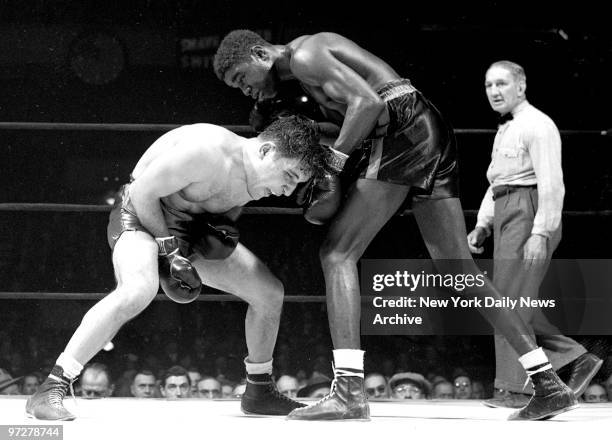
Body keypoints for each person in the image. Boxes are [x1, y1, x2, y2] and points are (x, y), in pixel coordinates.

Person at [214, 30, 578, 421]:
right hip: (426, 128)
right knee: (459, 270)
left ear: (259, 53)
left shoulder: (305, 56)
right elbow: (356, 115)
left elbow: (367, 104)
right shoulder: (306, 66)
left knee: (337, 253)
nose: (245, 90)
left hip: (403, 129)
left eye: (241, 78)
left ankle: (350, 391)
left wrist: (333, 166)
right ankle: (547, 383)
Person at [26, 116, 324, 420]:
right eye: (287, 175)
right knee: (137, 290)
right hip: (141, 216)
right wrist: (168, 251)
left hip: (187, 230)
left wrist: (209, 236)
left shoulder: (259, 180)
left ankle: (259, 389)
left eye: (294, 183)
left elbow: (222, 209)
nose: (287, 191)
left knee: (269, 293)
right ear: (265, 151)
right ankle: (52, 387)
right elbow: (143, 193)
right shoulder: (205, 152)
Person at [467, 60, 602, 409]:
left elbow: (552, 184)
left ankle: (520, 388)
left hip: (529, 214)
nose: (494, 92)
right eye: (488, 85)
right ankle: (571, 359)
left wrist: (541, 232)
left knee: (507, 304)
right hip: (509, 213)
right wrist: (483, 223)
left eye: (501, 84)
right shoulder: (506, 129)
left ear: (520, 87)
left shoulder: (539, 126)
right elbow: (497, 183)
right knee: (512, 303)